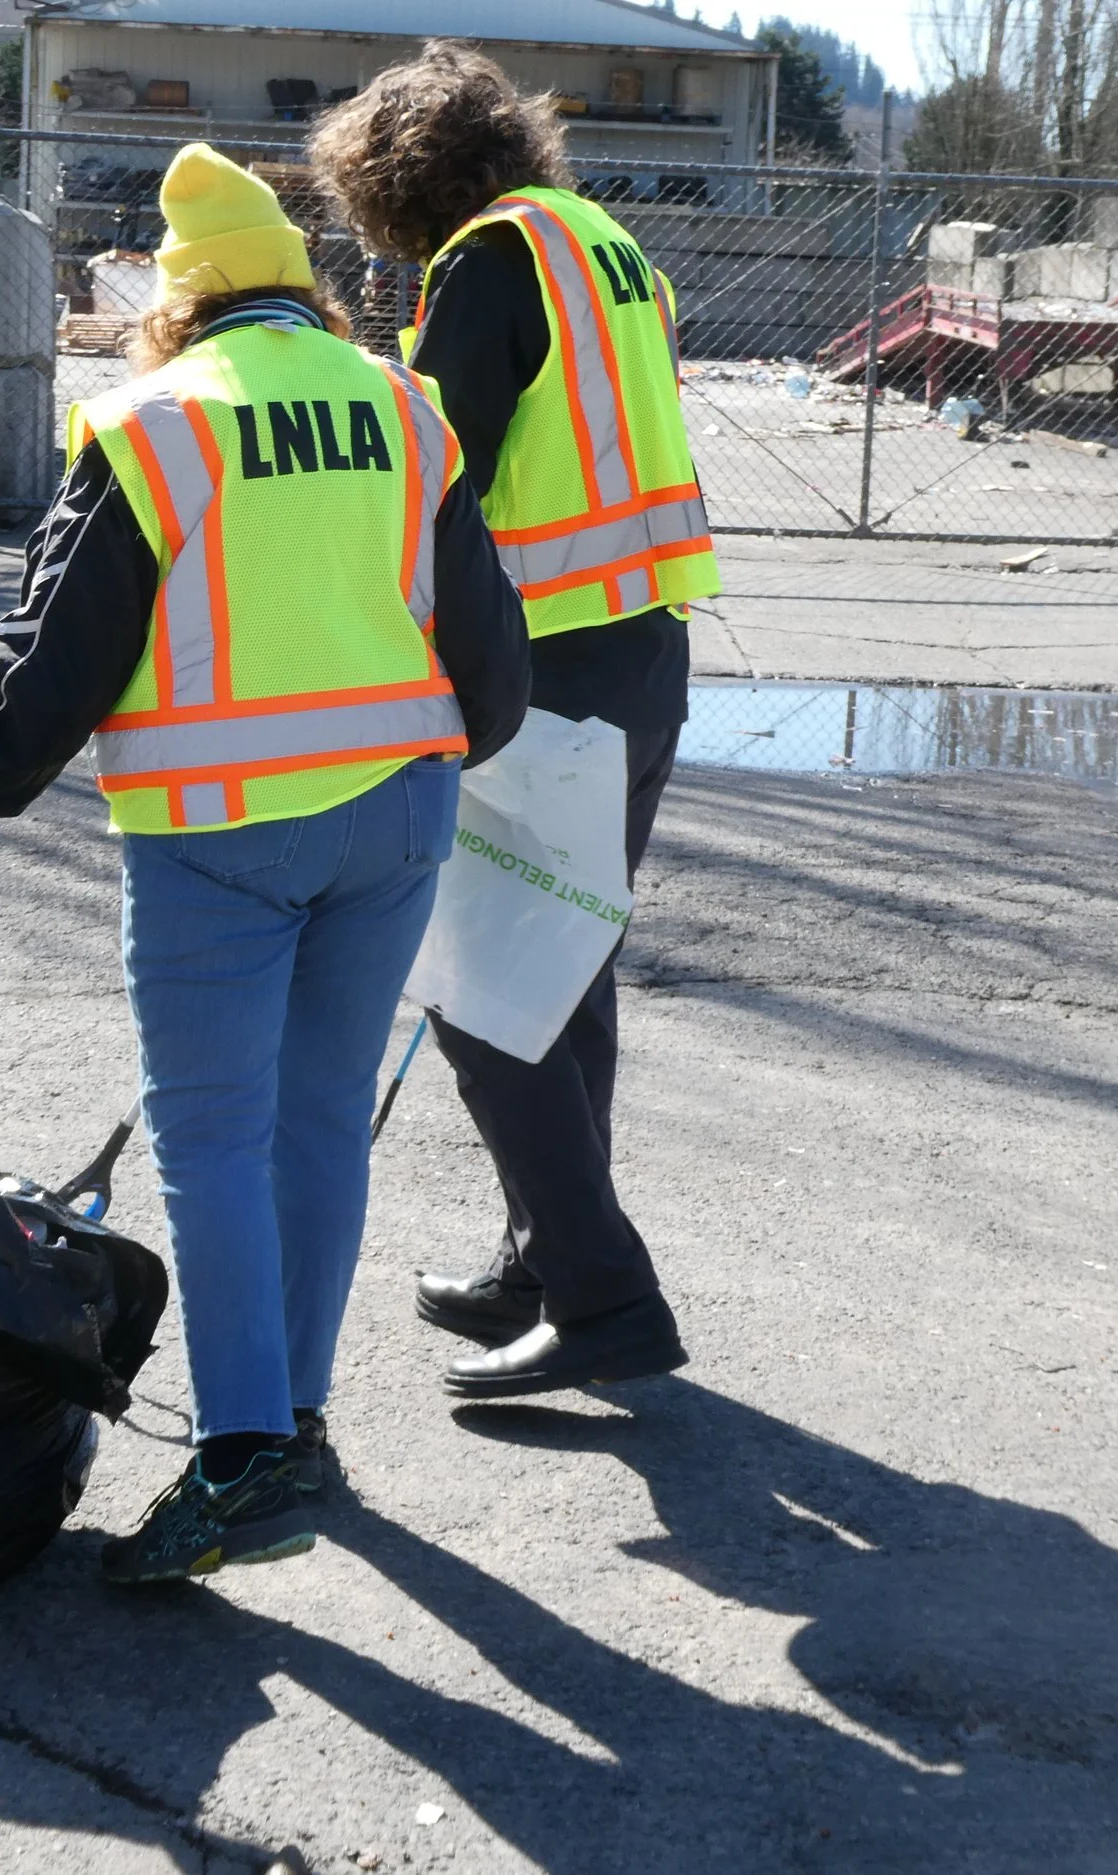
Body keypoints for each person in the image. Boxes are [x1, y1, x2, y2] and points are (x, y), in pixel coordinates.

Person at [0, 145, 530, 1582]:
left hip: (221, 843)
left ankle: (247, 1456)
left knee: (212, 1145)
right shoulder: (403, 408)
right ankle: (295, 1424)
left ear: (177, 307)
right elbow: (489, 673)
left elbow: (34, 701)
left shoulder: (151, 427)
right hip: (397, 818)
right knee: (319, 1126)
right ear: (298, 289)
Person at [309, 43, 722, 1400]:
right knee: (562, 969)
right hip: (643, 651)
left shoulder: (488, 263)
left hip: (541, 667)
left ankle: (603, 1295)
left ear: (397, 181)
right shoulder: (608, 248)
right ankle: (541, 1258)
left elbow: (429, 478)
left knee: (488, 991)